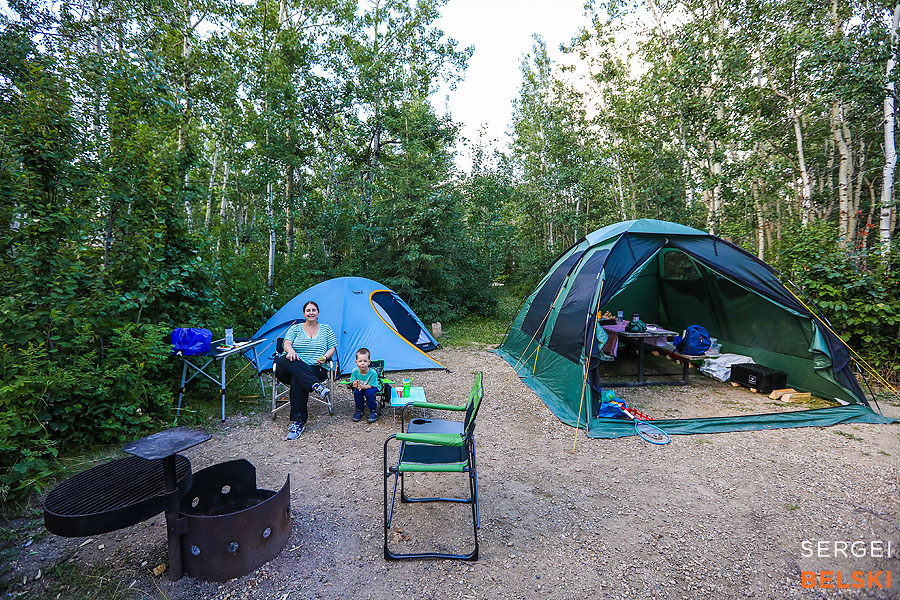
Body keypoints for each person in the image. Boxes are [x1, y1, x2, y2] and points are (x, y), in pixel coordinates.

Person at [274, 300, 337, 440]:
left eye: (313, 310)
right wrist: (290, 351)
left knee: (298, 379)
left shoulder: (326, 329)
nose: (311, 312)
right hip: (290, 365)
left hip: (315, 368)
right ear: (304, 313)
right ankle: (315, 386)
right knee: (285, 360)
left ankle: (298, 422)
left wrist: (325, 357)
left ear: (318, 312)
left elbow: (332, 347)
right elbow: (287, 343)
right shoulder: (296, 328)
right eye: (308, 310)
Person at [350, 347, 380, 423]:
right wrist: (356, 385)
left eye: (365, 361)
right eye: (360, 361)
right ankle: (359, 410)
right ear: (356, 362)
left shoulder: (373, 373)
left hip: (373, 386)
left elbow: (371, 385)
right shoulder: (355, 371)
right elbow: (353, 383)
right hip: (361, 387)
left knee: (368, 392)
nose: (362, 363)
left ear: (369, 362)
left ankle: (373, 410)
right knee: (357, 392)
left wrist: (362, 386)